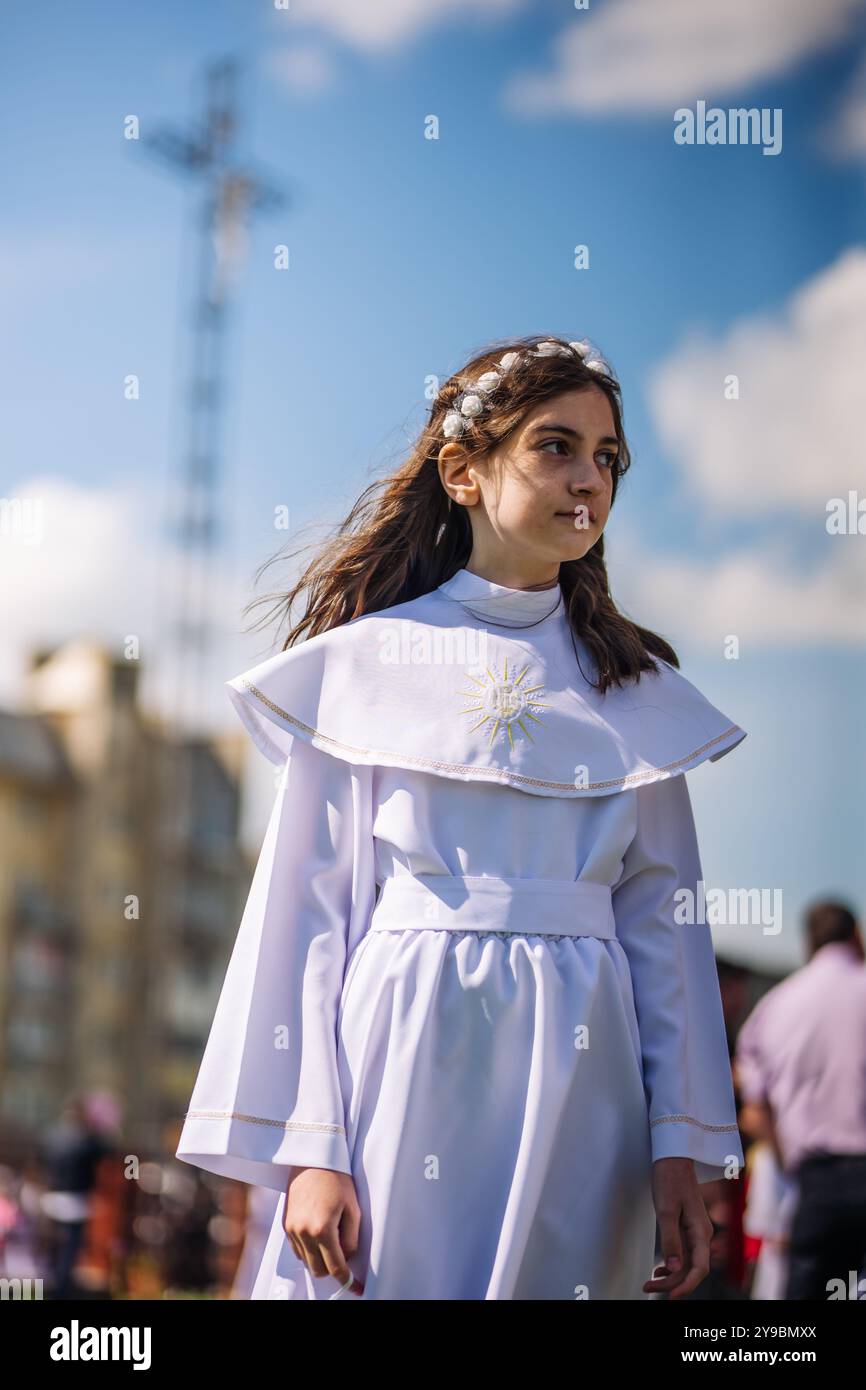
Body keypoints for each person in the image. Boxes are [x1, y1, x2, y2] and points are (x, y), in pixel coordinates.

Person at [176, 334, 747, 1300]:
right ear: (463, 471)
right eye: (555, 447)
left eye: (607, 457)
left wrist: (681, 1144)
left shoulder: (635, 692)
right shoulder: (362, 666)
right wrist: (313, 1146)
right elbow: (305, 916)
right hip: (399, 1048)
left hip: (585, 1069)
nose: (589, 478)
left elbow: (666, 932)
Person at [734, 901, 866, 1300]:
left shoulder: (777, 1005)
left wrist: (789, 1164)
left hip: (814, 1180)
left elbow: (755, 1111)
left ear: (809, 941)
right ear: (855, 934)